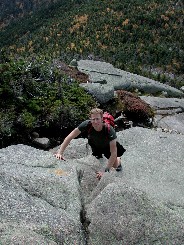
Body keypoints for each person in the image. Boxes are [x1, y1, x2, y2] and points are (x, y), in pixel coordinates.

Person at [55, 108, 125, 180]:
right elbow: (70, 136)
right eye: (93, 119)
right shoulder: (87, 124)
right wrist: (60, 152)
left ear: (102, 119)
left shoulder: (109, 130)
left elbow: (113, 153)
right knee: (98, 159)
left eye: (97, 119)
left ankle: (118, 159)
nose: (95, 121)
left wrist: (105, 171)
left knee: (115, 165)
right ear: (90, 119)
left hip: (107, 147)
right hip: (95, 144)